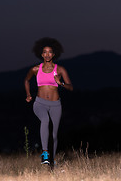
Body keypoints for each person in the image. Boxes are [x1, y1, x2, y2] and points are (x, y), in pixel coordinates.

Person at [25, 37, 73, 165]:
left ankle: (52, 162)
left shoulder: (60, 70)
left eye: (50, 52)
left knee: (54, 135)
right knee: (45, 120)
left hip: (55, 105)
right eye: (44, 52)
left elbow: (71, 87)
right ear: (41, 55)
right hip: (40, 103)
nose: (47, 54)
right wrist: (29, 94)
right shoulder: (35, 69)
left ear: (54, 54)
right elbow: (26, 80)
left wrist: (60, 83)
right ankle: (45, 152)